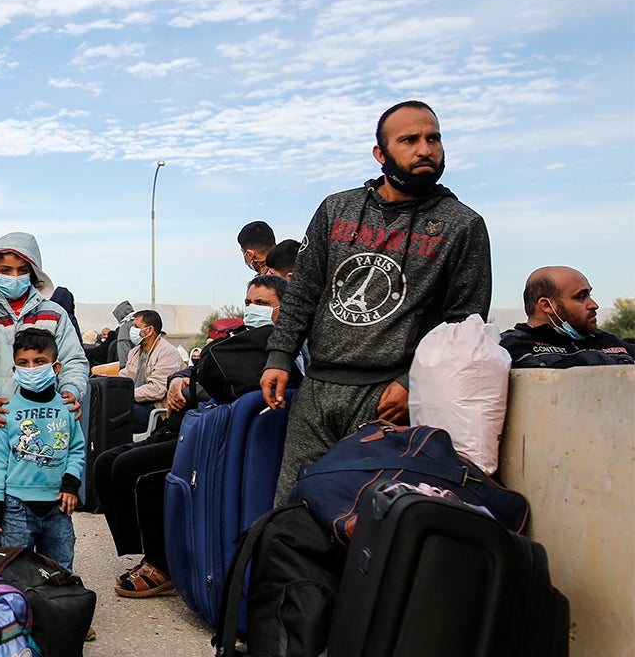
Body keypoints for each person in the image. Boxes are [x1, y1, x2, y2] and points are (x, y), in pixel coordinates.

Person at [262, 100, 492, 506]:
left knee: (365, 519)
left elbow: (464, 327)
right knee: (292, 509)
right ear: (381, 153)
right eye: (409, 140)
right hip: (318, 391)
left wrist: (411, 384)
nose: (425, 149)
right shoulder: (337, 209)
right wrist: (279, 356)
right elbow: (303, 293)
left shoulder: (462, 225)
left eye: (433, 138)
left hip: (389, 400)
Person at [101, 276, 294, 597]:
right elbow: (197, 366)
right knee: (107, 462)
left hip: (216, 433)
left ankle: (161, 561)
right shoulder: (237, 337)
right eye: (249, 303)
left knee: (139, 472)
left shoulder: (276, 348)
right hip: (185, 422)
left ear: (283, 309)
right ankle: (146, 548)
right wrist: (180, 381)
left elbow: (220, 381)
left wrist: (187, 389)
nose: (252, 310)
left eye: (261, 303)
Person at [0, 231, 89, 547]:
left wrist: (72, 391)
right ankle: (1, 578)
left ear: (33, 273)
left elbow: (75, 360)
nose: (14, 276)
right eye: (6, 270)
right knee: (1, 503)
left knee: (51, 496)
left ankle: (50, 579)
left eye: (22, 270)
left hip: (50, 423)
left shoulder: (54, 313)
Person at [0, 328, 85, 570]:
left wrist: (71, 485)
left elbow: (76, 449)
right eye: (24, 363)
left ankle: (57, 607)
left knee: (60, 568)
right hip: (16, 507)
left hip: (58, 506)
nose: (31, 368)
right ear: (14, 369)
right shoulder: (6, 410)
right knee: (15, 569)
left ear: (55, 367)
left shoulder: (67, 407)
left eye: (39, 362)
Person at [500, 266, 634, 368]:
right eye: (581, 297)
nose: (594, 305)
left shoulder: (608, 341)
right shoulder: (508, 349)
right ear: (547, 305)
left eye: (589, 296)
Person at [118, 309, 182, 432]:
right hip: (135, 404)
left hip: (156, 411)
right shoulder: (134, 352)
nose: (132, 331)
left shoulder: (168, 352)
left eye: (136, 327)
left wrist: (126, 395)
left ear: (150, 330)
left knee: (117, 412)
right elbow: (124, 378)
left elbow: (157, 389)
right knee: (106, 408)